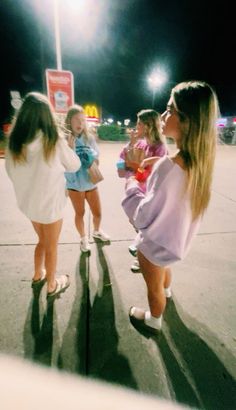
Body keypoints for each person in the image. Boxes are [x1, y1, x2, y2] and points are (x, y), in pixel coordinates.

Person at [122, 81, 219, 333]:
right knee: (163, 274)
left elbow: (142, 217)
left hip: (154, 243)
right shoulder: (200, 163)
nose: (163, 116)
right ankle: (167, 292)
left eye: (170, 110)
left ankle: (154, 320)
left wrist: (131, 180)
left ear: (187, 120)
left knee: (152, 287)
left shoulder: (169, 167)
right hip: (174, 242)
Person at [5, 92, 81, 299]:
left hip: (30, 205)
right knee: (51, 246)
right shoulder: (53, 140)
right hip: (51, 206)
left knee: (42, 240)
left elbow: (10, 172)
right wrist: (70, 148)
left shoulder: (14, 142)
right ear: (47, 116)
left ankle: (38, 274)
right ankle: (51, 284)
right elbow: (74, 165)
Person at [118, 109, 168, 272]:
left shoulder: (159, 147)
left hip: (148, 192)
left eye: (139, 123)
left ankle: (144, 257)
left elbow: (162, 169)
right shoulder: (139, 142)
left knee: (145, 225)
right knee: (136, 222)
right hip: (133, 188)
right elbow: (123, 158)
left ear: (148, 126)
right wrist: (130, 144)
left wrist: (145, 164)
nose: (136, 126)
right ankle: (141, 246)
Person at [65, 105, 109, 253]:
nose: (80, 123)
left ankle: (97, 231)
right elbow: (64, 165)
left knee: (98, 213)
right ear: (69, 121)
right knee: (80, 213)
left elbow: (97, 159)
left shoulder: (89, 138)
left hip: (90, 182)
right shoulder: (65, 140)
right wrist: (70, 150)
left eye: (83, 120)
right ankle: (83, 238)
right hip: (74, 185)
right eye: (76, 120)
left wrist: (93, 160)